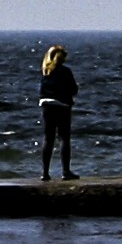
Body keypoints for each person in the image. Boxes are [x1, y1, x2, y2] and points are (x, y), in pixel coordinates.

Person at [36, 42, 80, 182]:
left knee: (48, 139)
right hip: (62, 105)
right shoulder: (65, 71)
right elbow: (73, 90)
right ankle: (65, 171)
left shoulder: (46, 71)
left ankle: (45, 173)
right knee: (63, 138)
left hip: (46, 105)